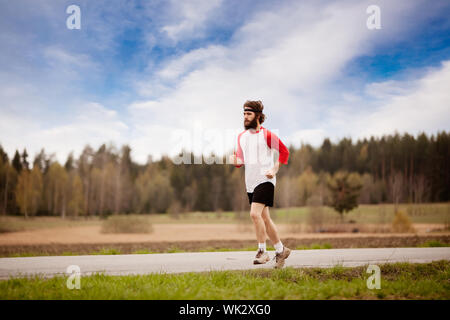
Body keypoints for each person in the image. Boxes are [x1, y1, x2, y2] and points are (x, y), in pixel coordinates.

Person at [228, 100, 291, 268]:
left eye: (248, 114)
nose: (245, 117)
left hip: (266, 179)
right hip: (251, 182)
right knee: (265, 218)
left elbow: (284, 152)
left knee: (254, 214)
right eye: (244, 114)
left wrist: (275, 168)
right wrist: (235, 161)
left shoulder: (267, 135)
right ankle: (281, 250)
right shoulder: (242, 137)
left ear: (257, 116)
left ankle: (262, 251)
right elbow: (240, 160)